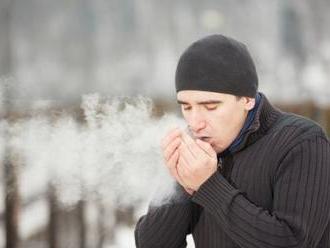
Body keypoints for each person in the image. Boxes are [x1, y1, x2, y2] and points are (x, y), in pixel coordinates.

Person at [134, 34, 330, 248]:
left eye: (210, 106)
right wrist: (181, 182)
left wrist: (208, 186)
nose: (195, 122)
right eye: (187, 107)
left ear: (247, 99)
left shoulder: (301, 142)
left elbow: (293, 242)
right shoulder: (197, 151)